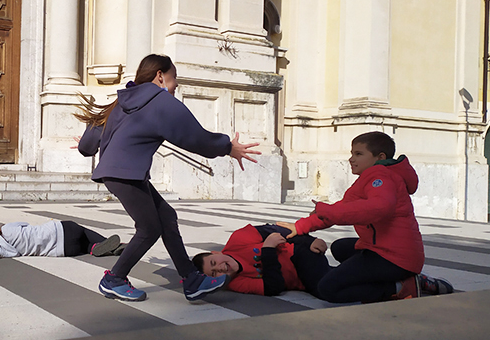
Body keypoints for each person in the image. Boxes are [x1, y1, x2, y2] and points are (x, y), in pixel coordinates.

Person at [75, 54, 261, 302]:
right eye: (174, 79)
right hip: (125, 174)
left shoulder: (120, 101)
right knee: (149, 229)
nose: (175, 87)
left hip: (122, 173)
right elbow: (196, 138)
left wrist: (87, 148)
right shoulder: (160, 101)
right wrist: (228, 147)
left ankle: (192, 280)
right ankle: (114, 278)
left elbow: (88, 144)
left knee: (167, 217)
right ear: (160, 76)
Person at [277, 131, 454, 303]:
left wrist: (326, 211)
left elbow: (379, 207)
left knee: (328, 289)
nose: (351, 159)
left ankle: (401, 287)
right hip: (386, 250)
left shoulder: (381, 176)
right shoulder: (373, 177)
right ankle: (397, 278)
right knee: (340, 247)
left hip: (394, 258)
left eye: (358, 154)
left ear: (380, 157)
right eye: (351, 153)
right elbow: (344, 208)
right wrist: (302, 226)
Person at [192, 224, 331, 299]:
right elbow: (274, 287)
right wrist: (268, 250)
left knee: (326, 291)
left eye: (213, 263)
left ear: (216, 253)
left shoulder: (238, 239)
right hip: (301, 281)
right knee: (330, 283)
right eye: (214, 273)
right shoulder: (236, 283)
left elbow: (280, 230)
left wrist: (310, 241)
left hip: (300, 255)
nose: (220, 268)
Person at [0, 220, 123, 258]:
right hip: (62, 230)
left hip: (64, 251)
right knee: (82, 231)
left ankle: (95, 249)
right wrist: (0, 229)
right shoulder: (7, 230)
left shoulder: (7, 252)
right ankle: (109, 243)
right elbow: (24, 223)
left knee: (82, 246)